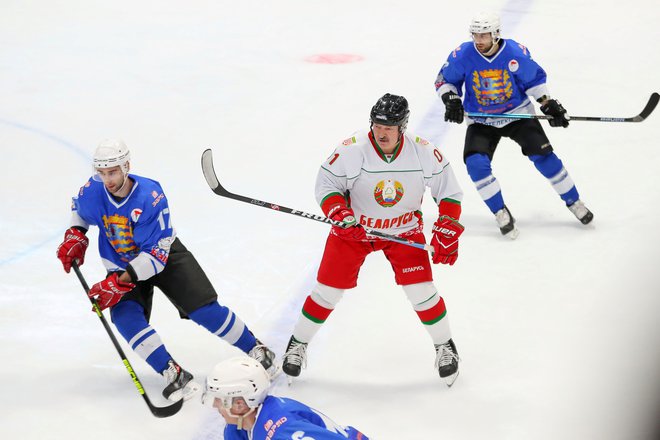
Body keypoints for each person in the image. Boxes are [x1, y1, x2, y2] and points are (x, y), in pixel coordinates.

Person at [56, 139, 276, 401]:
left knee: (203, 309)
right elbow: (79, 210)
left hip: (164, 256)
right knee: (125, 317)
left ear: (126, 165)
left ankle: (257, 349)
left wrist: (119, 283)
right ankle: (172, 372)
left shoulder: (150, 196)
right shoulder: (93, 190)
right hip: (122, 264)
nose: (107, 179)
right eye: (102, 173)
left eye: (112, 171)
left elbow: (154, 257)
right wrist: (76, 234)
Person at [281, 93, 465, 386]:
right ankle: (298, 344)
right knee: (327, 291)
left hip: (403, 231)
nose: (381, 132)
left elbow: (449, 192)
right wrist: (338, 212)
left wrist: (447, 225)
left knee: (422, 292)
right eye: (377, 125)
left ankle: (445, 346)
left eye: (389, 127)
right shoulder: (353, 149)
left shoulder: (422, 152)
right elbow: (327, 184)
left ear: (402, 126)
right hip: (354, 232)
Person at [434, 11, 593, 239]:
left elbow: (534, 80)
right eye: (476, 34)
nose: (479, 40)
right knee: (476, 165)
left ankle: (574, 201)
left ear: (496, 34)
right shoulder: (463, 54)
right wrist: (451, 100)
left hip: (517, 114)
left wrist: (548, 105)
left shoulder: (514, 53)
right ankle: (500, 211)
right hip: (482, 119)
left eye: (484, 35)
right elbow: (445, 80)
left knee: (545, 157)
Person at [203, 356, 370, 439]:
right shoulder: (242, 424)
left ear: (239, 405)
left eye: (219, 399)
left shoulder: (283, 432)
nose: (215, 405)